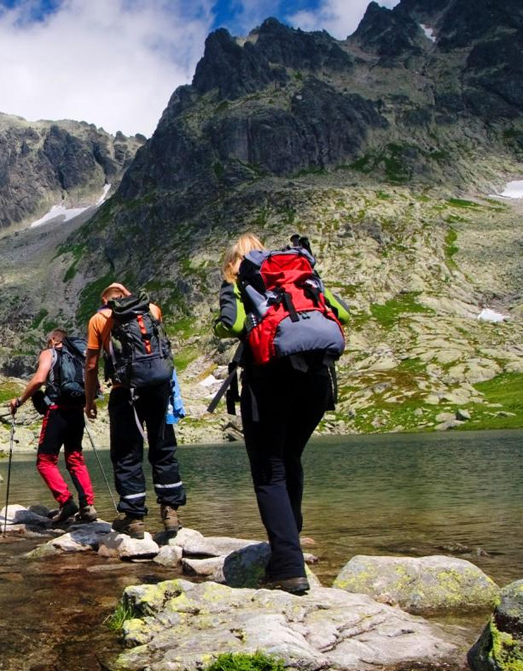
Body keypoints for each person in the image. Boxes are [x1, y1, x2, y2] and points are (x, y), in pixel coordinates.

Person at [213, 233, 350, 594]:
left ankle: (288, 567)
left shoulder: (241, 282)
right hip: (317, 382)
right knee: (290, 458)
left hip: (271, 381)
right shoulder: (300, 275)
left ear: (233, 263)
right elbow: (342, 313)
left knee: (269, 470)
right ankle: (290, 540)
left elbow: (232, 324)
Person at [83, 283, 186, 539]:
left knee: (126, 452)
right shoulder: (152, 309)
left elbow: (92, 364)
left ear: (105, 300)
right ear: (127, 294)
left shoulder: (99, 319)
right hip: (158, 388)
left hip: (124, 390)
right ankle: (171, 511)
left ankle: (134, 517)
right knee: (163, 446)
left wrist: (89, 400)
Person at [10, 329, 96, 524]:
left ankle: (66, 502)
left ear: (51, 340)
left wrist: (20, 400)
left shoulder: (49, 353)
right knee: (75, 458)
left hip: (57, 411)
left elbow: (39, 379)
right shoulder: (78, 354)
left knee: (45, 461)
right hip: (76, 411)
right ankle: (88, 506)